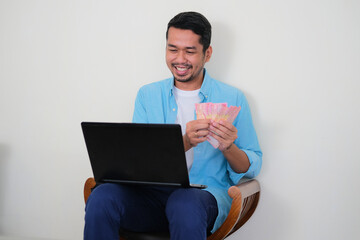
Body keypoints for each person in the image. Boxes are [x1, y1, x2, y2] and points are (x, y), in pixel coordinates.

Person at [84, 11, 262, 240]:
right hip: (151, 199)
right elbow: (139, 160)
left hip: (203, 198)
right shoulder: (148, 95)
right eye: (173, 49)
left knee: (183, 202)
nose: (180, 59)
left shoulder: (233, 98)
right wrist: (186, 141)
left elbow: (251, 165)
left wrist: (229, 147)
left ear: (207, 53)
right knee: (102, 196)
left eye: (190, 51)